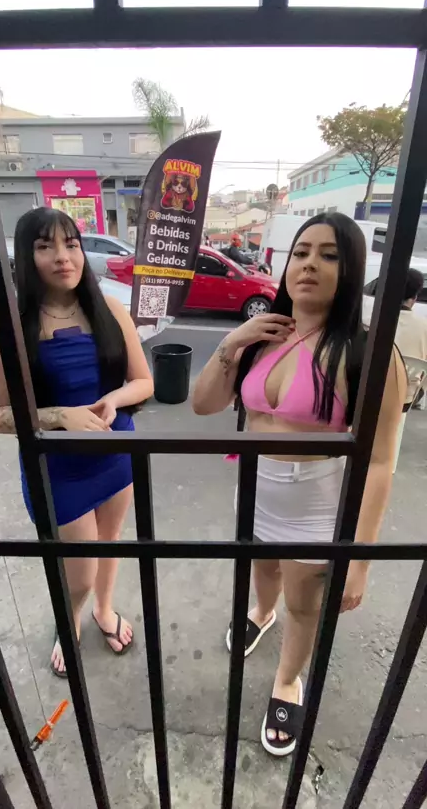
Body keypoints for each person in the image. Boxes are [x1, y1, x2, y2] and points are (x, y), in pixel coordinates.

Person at [193, 212, 406, 757]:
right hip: (254, 486)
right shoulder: (263, 337)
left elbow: (380, 461)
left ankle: (288, 681)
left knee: (304, 601)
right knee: (262, 568)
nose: (310, 264)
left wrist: (359, 558)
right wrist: (234, 341)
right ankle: (260, 614)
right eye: (301, 252)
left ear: (351, 270)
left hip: (316, 500)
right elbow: (204, 404)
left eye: (329, 255)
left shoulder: (369, 352)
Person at [0, 207, 153, 678]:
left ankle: (104, 610)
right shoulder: (3, 324)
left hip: (115, 451)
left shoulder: (109, 308)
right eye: (45, 246)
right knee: (79, 572)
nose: (62, 256)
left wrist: (114, 399)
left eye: (71, 244)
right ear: (25, 255)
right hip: (57, 469)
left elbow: (144, 382)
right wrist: (59, 417)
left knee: (110, 544)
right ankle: (70, 618)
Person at [364, 268, 427, 407]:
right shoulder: (424, 327)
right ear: (414, 298)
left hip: (368, 393)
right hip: (405, 399)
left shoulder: (370, 320)